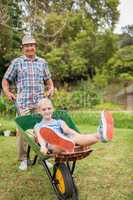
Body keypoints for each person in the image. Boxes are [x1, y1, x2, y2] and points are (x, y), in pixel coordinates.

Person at [2, 34, 54, 170]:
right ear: (22, 48)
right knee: (23, 132)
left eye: (31, 45)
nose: (29, 48)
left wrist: (51, 89)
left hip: (39, 104)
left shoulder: (42, 62)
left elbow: (49, 81)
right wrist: (8, 92)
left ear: (35, 47)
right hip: (23, 103)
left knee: (43, 129)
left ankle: (44, 157)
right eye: (26, 46)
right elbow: (5, 80)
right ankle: (23, 159)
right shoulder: (17, 62)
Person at [34, 98, 114, 155]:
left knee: (75, 138)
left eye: (49, 108)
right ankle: (64, 143)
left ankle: (101, 135)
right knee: (55, 144)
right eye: (44, 110)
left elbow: (68, 131)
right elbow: (40, 137)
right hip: (51, 146)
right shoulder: (39, 125)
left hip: (67, 140)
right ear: (39, 112)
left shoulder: (59, 122)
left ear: (53, 109)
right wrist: (43, 146)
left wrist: (79, 136)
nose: (47, 111)